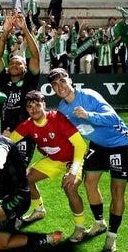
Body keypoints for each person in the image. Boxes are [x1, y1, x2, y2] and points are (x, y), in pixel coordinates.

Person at [49, 68, 128, 252]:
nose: (60, 86)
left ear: (70, 80)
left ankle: (112, 236)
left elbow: (113, 118)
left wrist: (89, 115)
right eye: (55, 84)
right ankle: (99, 223)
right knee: (89, 183)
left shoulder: (88, 95)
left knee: (117, 190)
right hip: (98, 145)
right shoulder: (62, 109)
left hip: (120, 142)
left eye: (62, 81)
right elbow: (68, 138)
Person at [10, 90, 88, 242]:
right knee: (25, 179)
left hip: (73, 159)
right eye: (30, 107)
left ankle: (80, 227)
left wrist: (73, 171)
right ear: (26, 109)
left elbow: (80, 144)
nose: (34, 109)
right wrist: (2, 140)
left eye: (37, 105)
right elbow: (10, 141)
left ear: (44, 104)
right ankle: (39, 210)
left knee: (70, 187)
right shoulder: (27, 125)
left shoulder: (57, 118)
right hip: (53, 160)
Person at [0, 14, 40, 167]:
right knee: (5, 168)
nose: (14, 65)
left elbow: (35, 56)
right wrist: (5, 32)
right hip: (5, 132)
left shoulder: (29, 81)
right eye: (12, 63)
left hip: (25, 133)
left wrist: (25, 28)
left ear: (25, 68)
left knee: (20, 169)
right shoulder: (2, 81)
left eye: (19, 63)